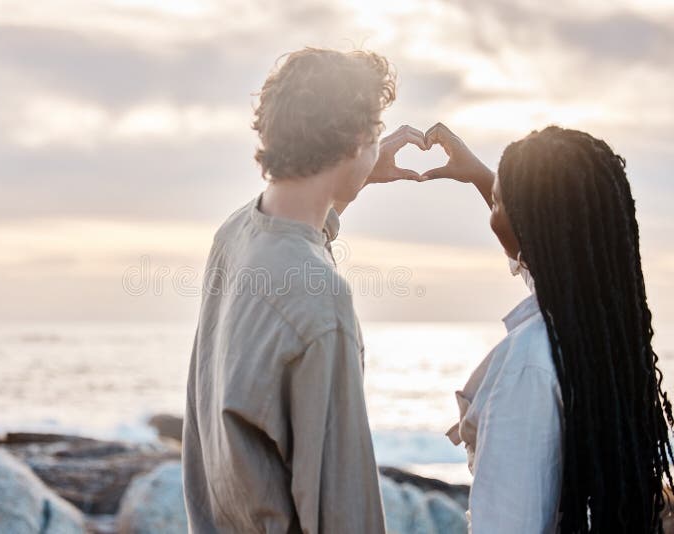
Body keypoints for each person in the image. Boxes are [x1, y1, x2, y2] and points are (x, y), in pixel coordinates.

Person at [181, 47, 427, 533]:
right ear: (358, 138)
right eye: (374, 135)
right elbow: (342, 507)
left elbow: (296, 237)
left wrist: (348, 180)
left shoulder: (237, 234)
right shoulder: (321, 299)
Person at [413, 123, 674, 532]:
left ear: (525, 224)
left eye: (497, 203)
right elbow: (545, 258)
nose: (492, 212)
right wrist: (485, 179)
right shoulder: (596, 335)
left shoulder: (527, 367)